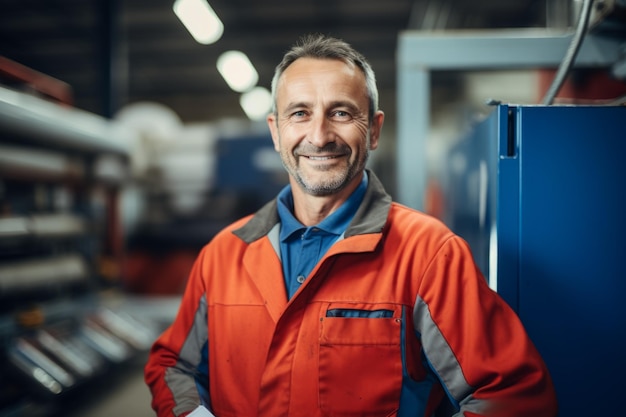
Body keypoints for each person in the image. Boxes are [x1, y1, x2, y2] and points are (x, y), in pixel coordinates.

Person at [144, 34, 557, 417]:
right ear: (275, 131)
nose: (319, 136)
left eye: (340, 113)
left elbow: (512, 394)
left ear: (374, 129)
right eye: (299, 113)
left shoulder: (428, 254)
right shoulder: (224, 253)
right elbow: (171, 365)